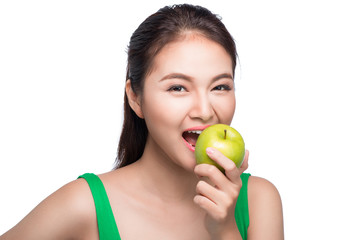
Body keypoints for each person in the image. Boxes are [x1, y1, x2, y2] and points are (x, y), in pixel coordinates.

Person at [0, 4, 283, 240]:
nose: (205, 110)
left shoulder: (259, 201)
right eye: (178, 88)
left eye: (220, 87)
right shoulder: (85, 204)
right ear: (136, 98)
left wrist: (226, 231)